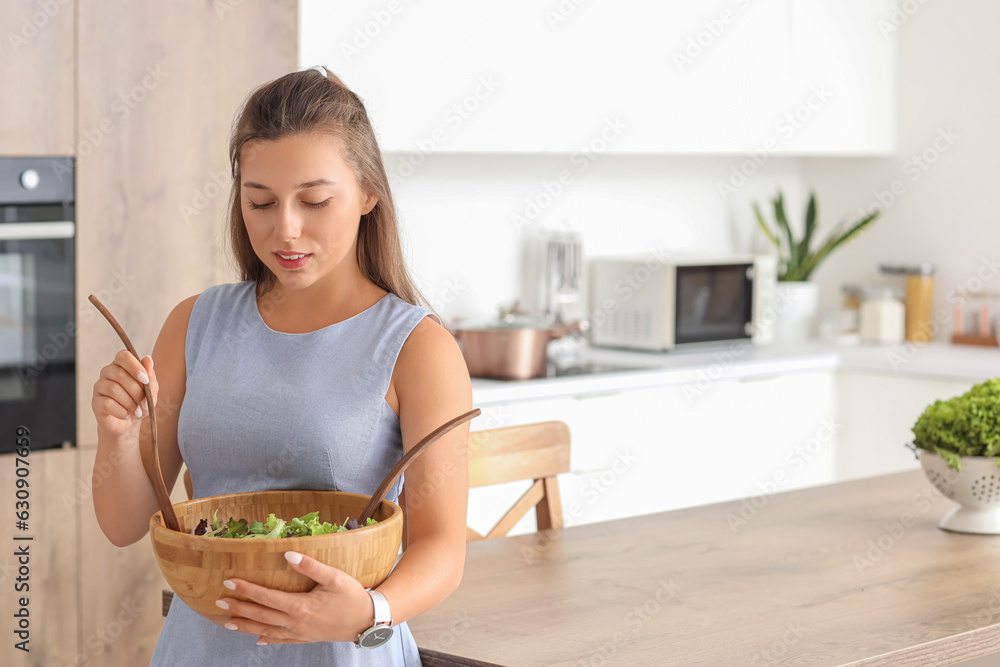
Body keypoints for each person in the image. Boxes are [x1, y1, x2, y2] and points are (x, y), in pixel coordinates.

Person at [91, 67, 472, 665]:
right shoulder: (194, 324)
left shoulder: (418, 348)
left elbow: (442, 548)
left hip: (343, 650)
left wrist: (371, 614)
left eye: (315, 201)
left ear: (369, 193)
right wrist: (114, 437)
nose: (285, 229)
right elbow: (124, 524)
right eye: (260, 201)